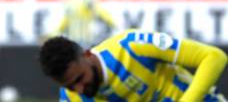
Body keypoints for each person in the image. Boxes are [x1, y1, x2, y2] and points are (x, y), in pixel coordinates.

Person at [39, 30, 227, 101]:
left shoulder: (132, 46)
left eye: (80, 79)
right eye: (70, 86)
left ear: (87, 55)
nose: (78, 89)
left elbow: (214, 57)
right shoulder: (71, 98)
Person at [49, 0, 116, 49]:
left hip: (82, 40)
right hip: (80, 40)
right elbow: (64, 22)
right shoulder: (74, 2)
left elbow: (100, 12)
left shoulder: (75, 2)